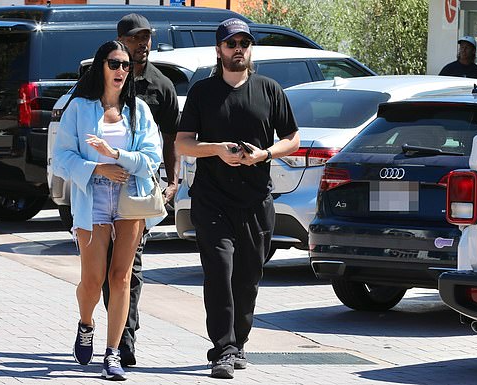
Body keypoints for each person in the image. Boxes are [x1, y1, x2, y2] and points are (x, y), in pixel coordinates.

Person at [175, 18, 300, 379]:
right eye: (232, 44)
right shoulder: (203, 91)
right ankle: (223, 350)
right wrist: (216, 149)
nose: (238, 49)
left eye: (244, 43)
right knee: (219, 273)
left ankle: (238, 342)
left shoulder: (269, 89)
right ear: (220, 50)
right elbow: (182, 143)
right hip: (212, 201)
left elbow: (292, 137)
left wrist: (264, 155)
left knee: (247, 278)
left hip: (256, 201)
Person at [51, 40, 164, 381]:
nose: (121, 71)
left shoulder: (138, 111)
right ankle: (86, 323)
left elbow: (151, 159)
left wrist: (116, 157)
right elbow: (61, 159)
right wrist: (97, 169)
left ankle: (112, 354)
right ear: (101, 66)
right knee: (93, 279)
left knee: (121, 277)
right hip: (92, 197)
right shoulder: (79, 108)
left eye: (126, 66)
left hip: (130, 197)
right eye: (114, 64)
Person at [101, 12, 180, 368]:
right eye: (136, 38)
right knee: (104, 266)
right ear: (121, 40)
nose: (143, 44)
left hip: (141, 186)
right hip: (101, 187)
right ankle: (112, 329)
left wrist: (173, 181)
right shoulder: (102, 76)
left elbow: (172, 139)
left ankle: (126, 338)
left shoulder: (161, 85)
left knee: (130, 265)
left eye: (146, 37)